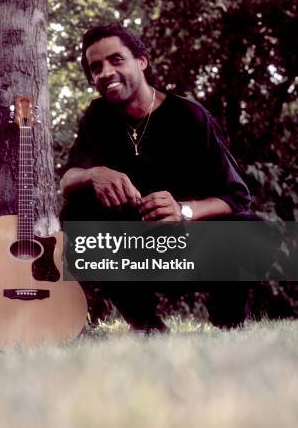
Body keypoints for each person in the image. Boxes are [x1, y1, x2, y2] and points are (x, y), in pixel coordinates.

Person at [60, 23, 255, 332]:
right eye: (96, 67)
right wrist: (95, 173)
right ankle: (145, 324)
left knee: (253, 229)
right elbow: (67, 181)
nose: (106, 72)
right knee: (77, 209)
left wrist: (183, 211)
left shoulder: (189, 116)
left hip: (192, 248)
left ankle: (228, 325)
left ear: (141, 61)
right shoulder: (98, 117)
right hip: (134, 255)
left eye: (116, 59)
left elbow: (237, 198)